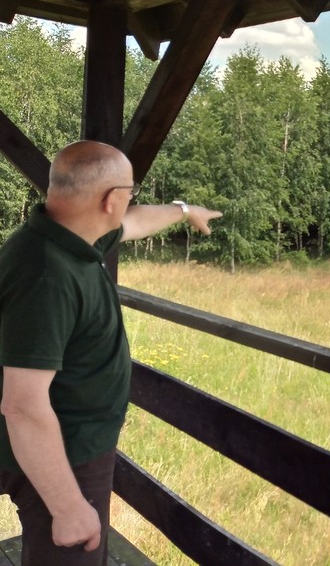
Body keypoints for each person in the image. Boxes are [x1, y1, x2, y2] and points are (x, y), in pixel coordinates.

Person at [0, 140, 222, 565]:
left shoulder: (70, 237)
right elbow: (23, 405)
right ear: (111, 199)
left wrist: (183, 210)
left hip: (67, 443)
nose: (130, 202)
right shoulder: (47, 273)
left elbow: (135, 223)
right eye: (130, 192)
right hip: (62, 452)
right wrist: (68, 507)